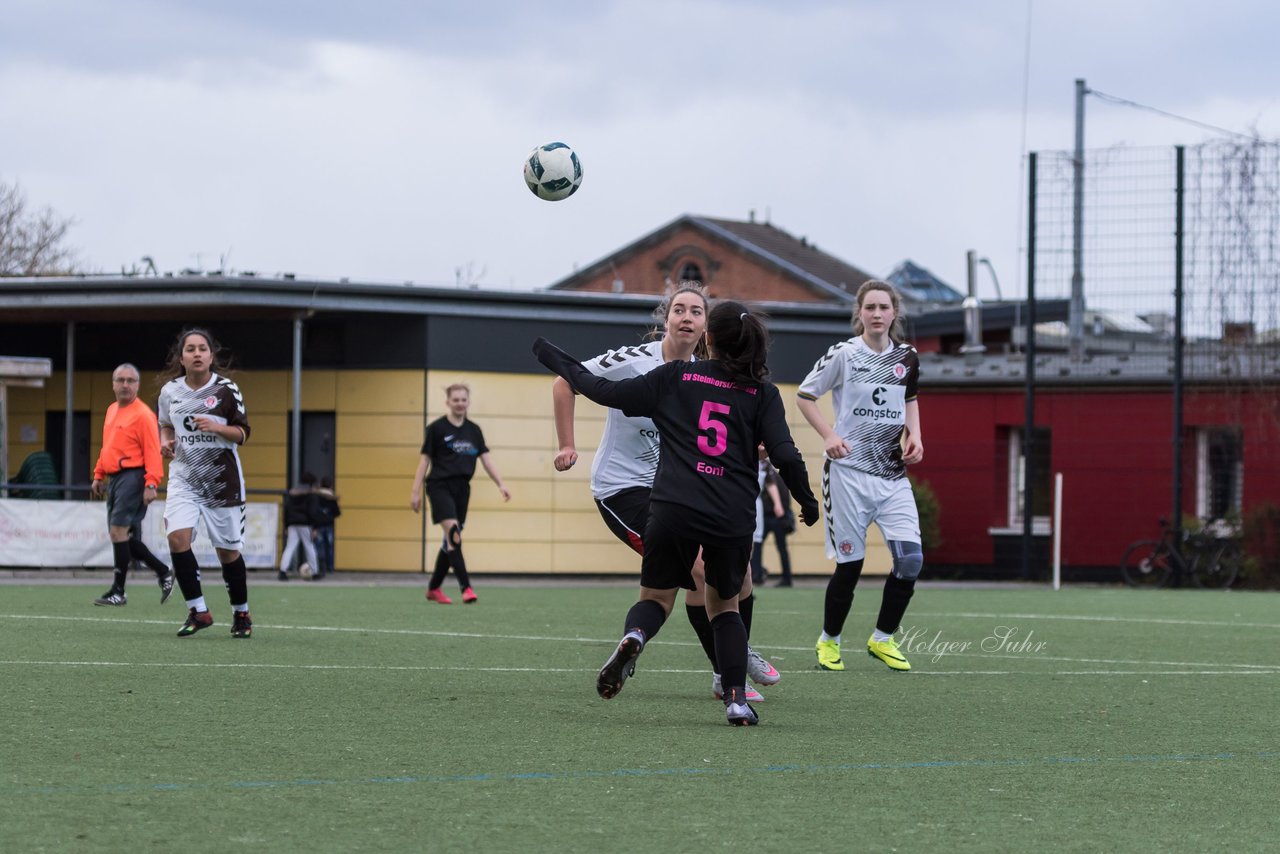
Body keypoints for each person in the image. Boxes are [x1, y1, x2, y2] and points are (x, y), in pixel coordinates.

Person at [534, 300, 821, 726]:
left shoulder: (677, 377)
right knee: (724, 603)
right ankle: (735, 694)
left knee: (658, 597)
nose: (687, 318)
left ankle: (637, 636)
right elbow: (785, 454)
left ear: (708, 335)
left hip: (673, 505)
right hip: (727, 512)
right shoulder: (762, 393)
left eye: (697, 312)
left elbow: (600, 390)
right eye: (679, 310)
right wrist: (807, 501)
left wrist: (549, 353)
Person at [795, 280, 925, 673]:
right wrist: (830, 436)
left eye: (884, 307)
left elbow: (910, 398)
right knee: (850, 567)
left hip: (892, 475)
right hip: (848, 475)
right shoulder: (844, 354)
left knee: (911, 561)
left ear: (894, 313)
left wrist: (915, 434)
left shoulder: (907, 357)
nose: (877, 314)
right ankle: (829, 641)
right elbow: (805, 396)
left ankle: (882, 638)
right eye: (870, 307)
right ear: (860, 312)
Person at [157, 328, 254, 639]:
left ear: (212, 356)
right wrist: (166, 442)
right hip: (184, 477)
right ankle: (198, 610)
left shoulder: (227, 390)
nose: (196, 354)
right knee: (176, 539)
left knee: (227, 553)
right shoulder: (170, 392)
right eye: (190, 349)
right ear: (181, 358)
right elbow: (165, 424)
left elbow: (243, 434)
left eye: (202, 349)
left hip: (221, 482)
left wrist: (215, 426)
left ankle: (241, 613)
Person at [410, 383, 510, 603]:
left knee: (450, 541)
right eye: (455, 400)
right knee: (454, 534)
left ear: (468, 402)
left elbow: (486, 460)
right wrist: (415, 492)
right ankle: (466, 588)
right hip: (439, 486)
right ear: (448, 402)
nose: (459, 403)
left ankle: (434, 588)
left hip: (462, 489)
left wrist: (501, 484)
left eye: (463, 400)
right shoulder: (436, 429)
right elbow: (424, 461)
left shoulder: (474, 430)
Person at [89, 363, 174, 606]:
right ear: (113, 384)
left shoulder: (144, 415)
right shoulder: (111, 410)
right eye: (121, 380)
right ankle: (162, 571)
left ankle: (119, 591)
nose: (125, 385)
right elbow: (108, 446)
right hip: (114, 478)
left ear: (137, 385)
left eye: (130, 380)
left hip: (133, 476)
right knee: (119, 535)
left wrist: (151, 483)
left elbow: (152, 450)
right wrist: (98, 474)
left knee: (118, 532)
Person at [278, 471, 320, 581]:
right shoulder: (311, 495)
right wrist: (315, 527)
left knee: (289, 547)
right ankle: (315, 572)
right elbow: (313, 512)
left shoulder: (292, 494)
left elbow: (286, 510)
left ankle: (282, 571)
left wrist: (286, 525)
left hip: (292, 523)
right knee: (309, 547)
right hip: (305, 524)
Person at [763, 463, 797, 587]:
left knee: (756, 546)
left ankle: (758, 573)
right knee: (782, 549)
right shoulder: (778, 477)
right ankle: (786, 578)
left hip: (772, 517)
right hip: (776, 517)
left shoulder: (769, 477)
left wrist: (778, 507)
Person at [311, 475, 341, 579]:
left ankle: (320, 567)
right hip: (329, 525)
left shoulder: (316, 496)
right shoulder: (331, 497)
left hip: (318, 525)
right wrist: (329, 515)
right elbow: (337, 513)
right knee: (329, 547)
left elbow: (313, 512)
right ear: (331, 485)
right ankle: (330, 567)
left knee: (319, 547)